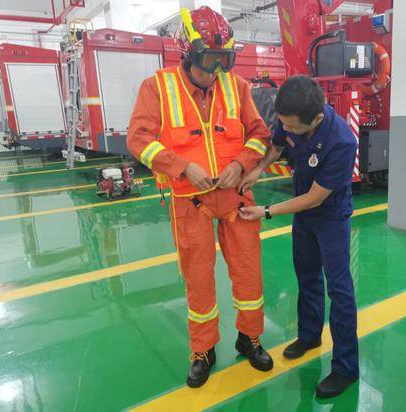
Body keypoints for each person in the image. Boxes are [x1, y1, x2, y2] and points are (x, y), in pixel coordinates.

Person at [127, 6, 273, 388]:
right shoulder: (157, 87)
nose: (217, 70)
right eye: (210, 60)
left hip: (236, 196)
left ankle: (250, 337)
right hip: (188, 200)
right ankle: (203, 350)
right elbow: (138, 139)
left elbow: (260, 134)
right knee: (199, 280)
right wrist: (181, 166)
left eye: (225, 60)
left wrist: (242, 163)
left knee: (248, 273)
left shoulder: (236, 86)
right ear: (187, 54)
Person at [239, 76, 359, 398]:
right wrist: (257, 171)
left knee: (339, 288)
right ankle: (309, 335)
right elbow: (276, 146)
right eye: (283, 123)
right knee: (306, 277)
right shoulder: (290, 116)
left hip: (329, 215)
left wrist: (266, 211)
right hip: (304, 215)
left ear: (316, 119)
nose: (286, 129)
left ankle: (346, 367)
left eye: (292, 127)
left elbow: (315, 198)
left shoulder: (342, 142)